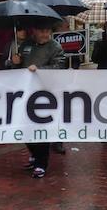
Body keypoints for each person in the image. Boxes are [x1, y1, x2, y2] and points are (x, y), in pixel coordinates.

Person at [12, 22, 66, 179]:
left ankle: (41, 163)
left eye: (48, 30)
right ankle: (34, 155)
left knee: (41, 128)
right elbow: (18, 69)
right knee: (25, 127)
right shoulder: (26, 45)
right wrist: (14, 63)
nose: (45, 34)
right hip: (27, 93)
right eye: (42, 30)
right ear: (34, 30)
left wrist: (40, 70)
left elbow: (59, 68)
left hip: (45, 94)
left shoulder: (55, 47)